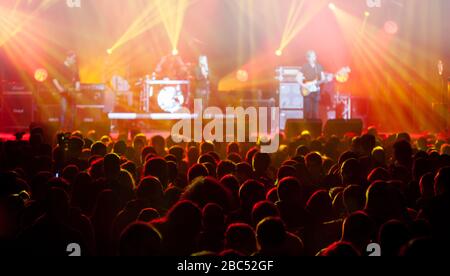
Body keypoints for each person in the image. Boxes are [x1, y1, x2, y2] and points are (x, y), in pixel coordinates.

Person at [52, 51, 80, 131]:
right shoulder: (60, 66)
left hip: (72, 93)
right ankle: (61, 131)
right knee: (63, 112)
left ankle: (70, 131)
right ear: (67, 58)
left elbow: (77, 79)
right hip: (63, 93)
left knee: (73, 113)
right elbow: (54, 79)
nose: (74, 60)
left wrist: (77, 89)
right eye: (73, 58)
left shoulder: (74, 68)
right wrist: (60, 89)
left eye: (75, 59)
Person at [300, 51, 326, 119]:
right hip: (307, 90)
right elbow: (297, 78)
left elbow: (323, 78)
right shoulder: (305, 66)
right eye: (312, 56)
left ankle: (315, 128)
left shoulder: (318, 66)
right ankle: (305, 127)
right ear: (308, 58)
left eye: (314, 56)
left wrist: (324, 80)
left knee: (315, 112)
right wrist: (303, 85)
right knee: (307, 111)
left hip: (316, 91)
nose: (314, 57)